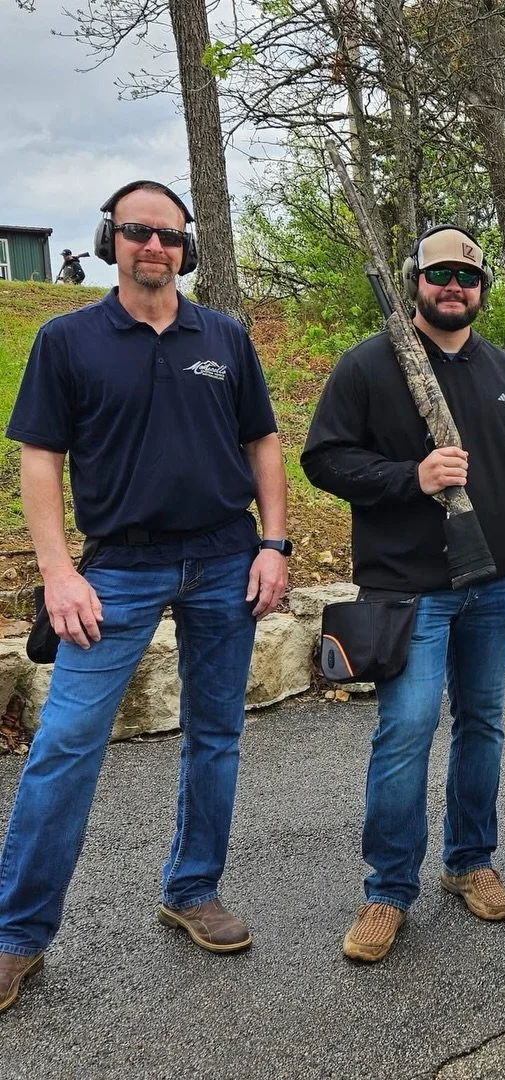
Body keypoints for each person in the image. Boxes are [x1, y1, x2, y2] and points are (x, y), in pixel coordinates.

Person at [0, 180, 288, 1014]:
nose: (152, 247)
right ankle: (18, 935)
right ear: (110, 240)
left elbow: (263, 442)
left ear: (186, 247)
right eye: (136, 232)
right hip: (117, 570)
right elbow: (41, 461)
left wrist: (273, 544)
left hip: (224, 560)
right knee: (64, 746)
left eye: (167, 235)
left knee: (216, 737)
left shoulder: (224, 337)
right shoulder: (68, 339)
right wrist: (60, 572)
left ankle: (192, 889)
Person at [302, 225, 505, 964]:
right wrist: (408, 477)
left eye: (467, 277)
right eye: (440, 273)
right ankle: (387, 890)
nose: (453, 286)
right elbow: (324, 458)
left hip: (493, 588)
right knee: (406, 733)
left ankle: (470, 860)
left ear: (482, 291)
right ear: (417, 280)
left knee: (483, 727)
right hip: (407, 592)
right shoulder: (369, 366)